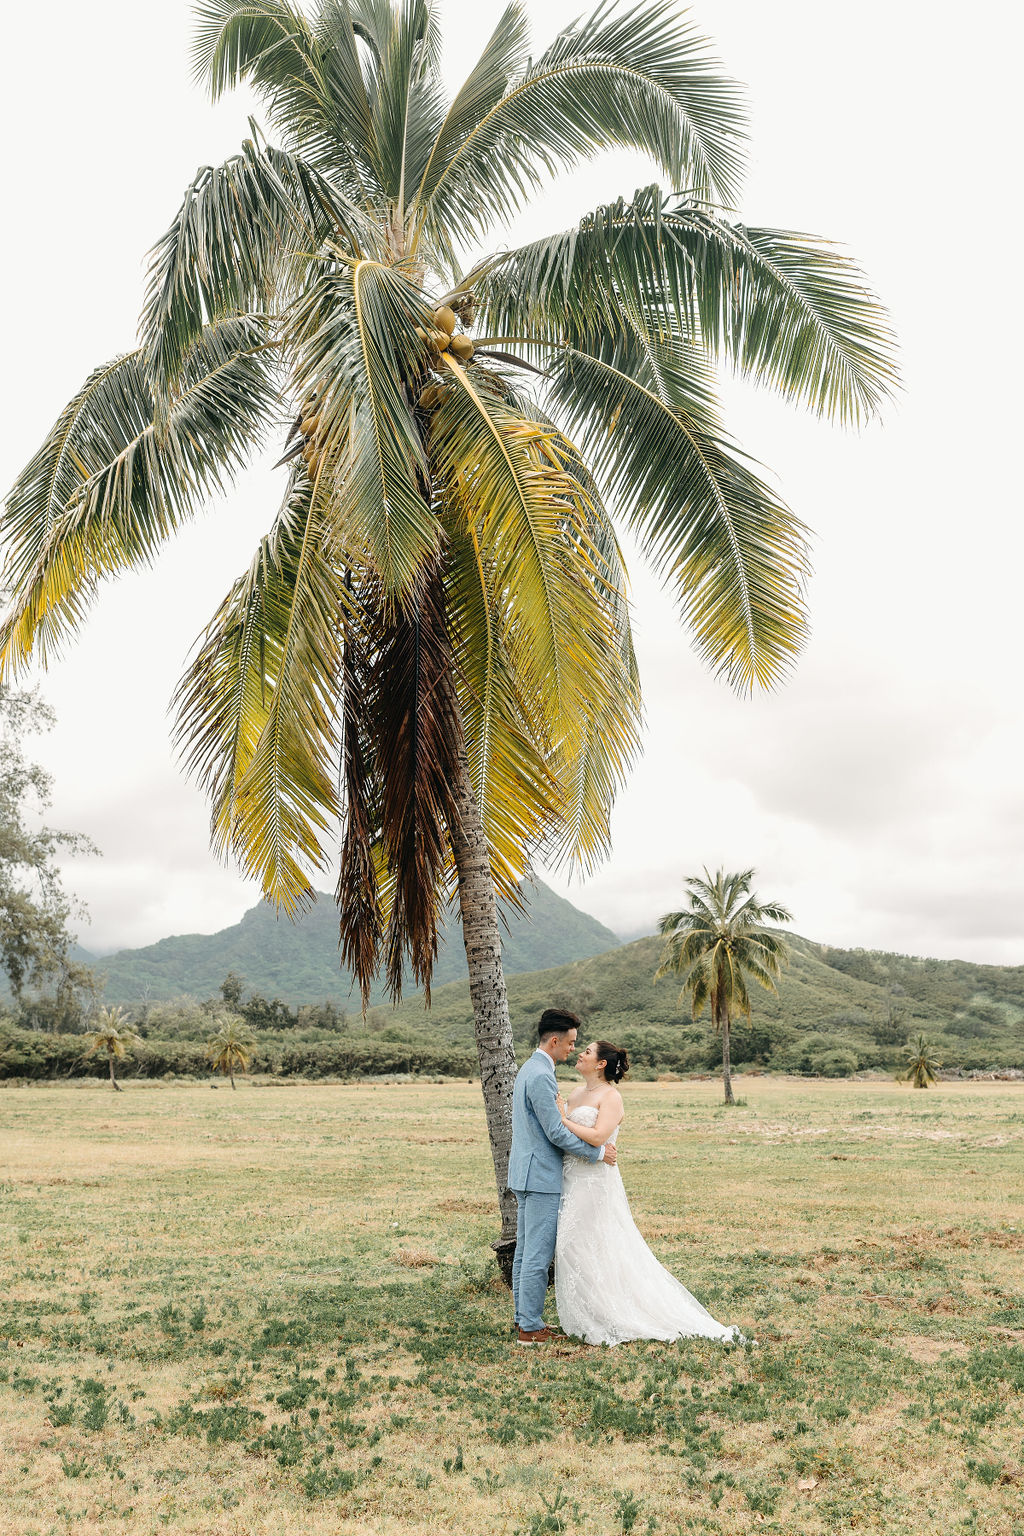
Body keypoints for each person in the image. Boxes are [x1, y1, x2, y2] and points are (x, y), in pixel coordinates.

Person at [554, 1038, 745, 1347]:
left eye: (587, 1051)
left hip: (595, 1179)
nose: (580, 1054)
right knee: (572, 1245)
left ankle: (612, 1313)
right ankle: (592, 1310)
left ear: (601, 1063)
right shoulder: (575, 1093)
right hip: (570, 1176)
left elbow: (599, 1136)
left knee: (584, 1242)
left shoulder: (611, 1096)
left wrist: (561, 1119)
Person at [508, 1009, 618, 1345]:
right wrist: (598, 1153)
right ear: (554, 1041)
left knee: (526, 1253)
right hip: (540, 1176)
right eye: (570, 1043)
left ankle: (523, 1319)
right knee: (537, 1255)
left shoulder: (531, 1068)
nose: (573, 1049)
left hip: (525, 1173)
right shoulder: (541, 1075)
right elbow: (555, 1131)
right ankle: (529, 1327)